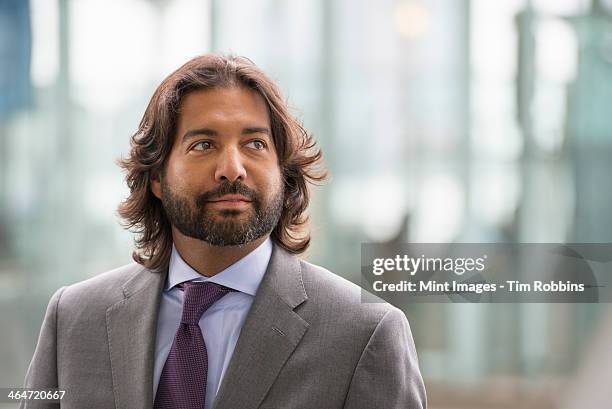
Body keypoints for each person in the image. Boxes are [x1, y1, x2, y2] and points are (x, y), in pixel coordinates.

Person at [22, 54, 426, 409]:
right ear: (158, 177)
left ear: (284, 175)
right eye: (203, 145)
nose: (232, 168)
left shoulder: (364, 334)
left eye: (254, 144)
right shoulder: (74, 319)